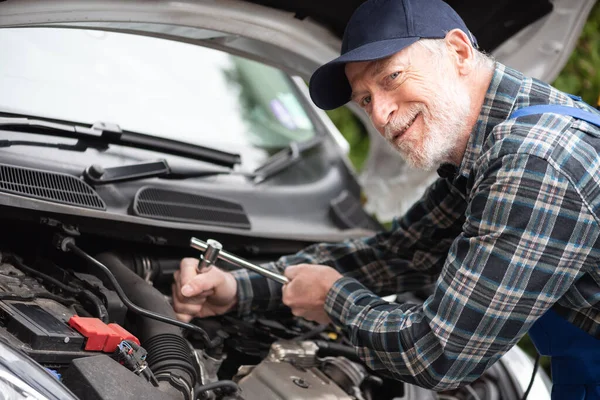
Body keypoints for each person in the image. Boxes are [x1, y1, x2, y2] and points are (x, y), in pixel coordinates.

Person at [172, 0, 600, 397]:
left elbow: (440, 354)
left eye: (391, 77)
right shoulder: (490, 148)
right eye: (365, 99)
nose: (379, 114)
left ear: (459, 53)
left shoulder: (538, 162)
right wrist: (237, 287)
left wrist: (333, 298)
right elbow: (402, 254)